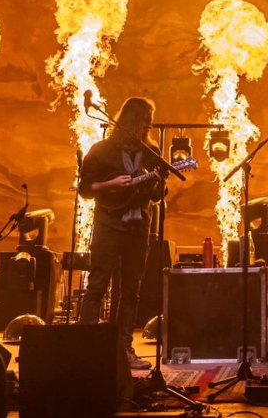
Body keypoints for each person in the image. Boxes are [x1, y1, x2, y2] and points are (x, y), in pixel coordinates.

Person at [77, 97, 166, 370]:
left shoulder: (152, 153)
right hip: (108, 223)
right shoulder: (102, 150)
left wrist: (159, 186)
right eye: (145, 120)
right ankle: (87, 348)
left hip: (138, 226)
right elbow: (85, 189)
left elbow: (155, 196)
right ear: (131, 119)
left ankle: (124, 349)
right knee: (98, 284)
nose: (149, 125)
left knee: (130, 290)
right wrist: (109, 184)